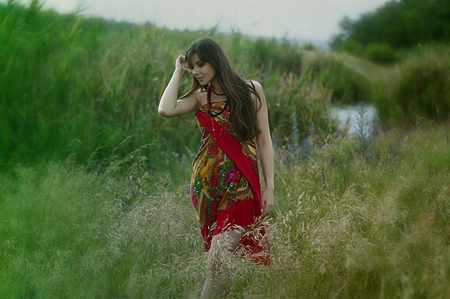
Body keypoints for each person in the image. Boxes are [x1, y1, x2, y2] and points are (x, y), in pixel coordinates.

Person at [158, 37, 274, 298]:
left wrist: (270, 187)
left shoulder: (251, 90)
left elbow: (264, 140)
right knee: (218, 262)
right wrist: (178, 71)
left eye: (201, 64)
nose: (196, 71)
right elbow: (165, 109)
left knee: (216, 258)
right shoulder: (200, 98)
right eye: (193, 67)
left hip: (241, 188)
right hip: (206, 192)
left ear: (216, 61)